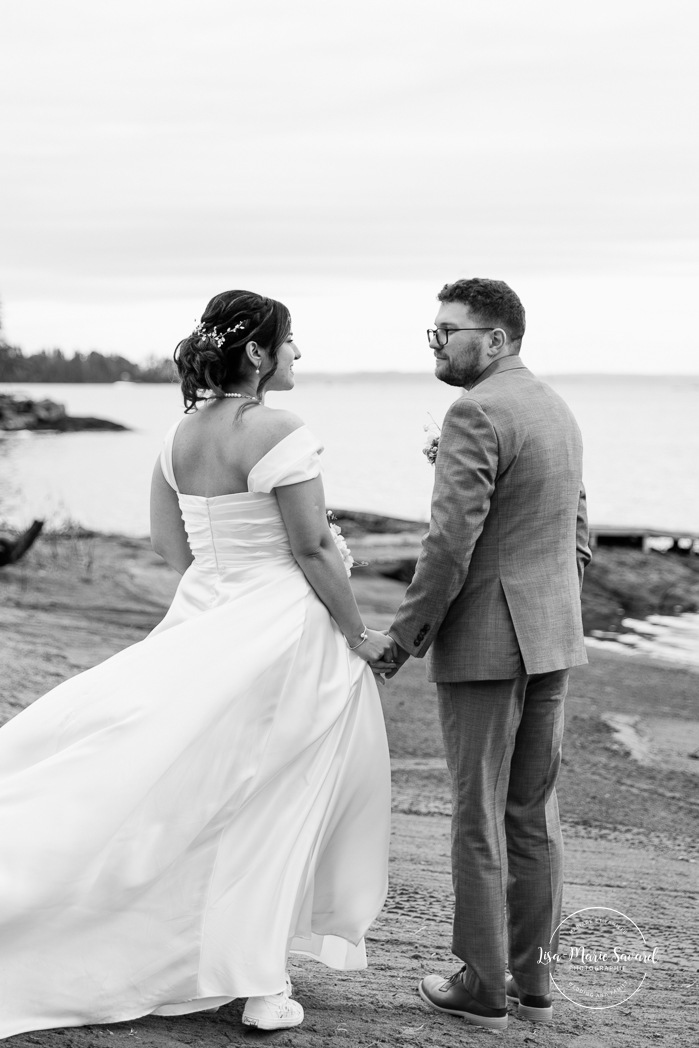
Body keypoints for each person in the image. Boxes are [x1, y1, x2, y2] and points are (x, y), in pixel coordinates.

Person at [0, 289, 394, 1039]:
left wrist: (221, 595)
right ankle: (259, 980)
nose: (298, 353)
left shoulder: (178, 436)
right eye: (290, 340)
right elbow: (313, 547)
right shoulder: (278, 429)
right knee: (277, 800)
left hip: (209, 617)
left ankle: (226, 958)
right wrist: (359, 634)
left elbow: (168, 546)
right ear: (258, 352)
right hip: (287, 634)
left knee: (196, 785)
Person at [384, 278, 591, 1031]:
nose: (437, 343)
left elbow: (449, 545)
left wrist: (403, 639)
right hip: (552, 637)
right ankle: (533, 985)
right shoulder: (553, 407)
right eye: (434, 331)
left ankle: (480, 986)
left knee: (478, 816)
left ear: (495, 339)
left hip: (486, 644)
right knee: (531, 814)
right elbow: (575, 528)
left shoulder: (473, 411)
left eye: (449, 331)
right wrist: (552, 605)